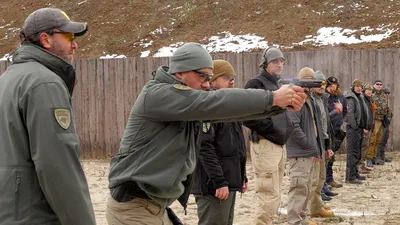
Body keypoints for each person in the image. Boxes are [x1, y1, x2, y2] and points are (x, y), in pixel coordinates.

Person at [106, 43, 307, 225]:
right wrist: (272, 98)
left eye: (209, 78)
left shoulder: (182, 103)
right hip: (133, 208)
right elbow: (214, 103)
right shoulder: (158, 94)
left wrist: (278, 106)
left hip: (152, 207)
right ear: (180, 73)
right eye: (202, 76)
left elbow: (227, 114)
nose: (206, 84)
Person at [0, 8, 95, 225]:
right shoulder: (45, 83)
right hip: (35, 215)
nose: (75, 44)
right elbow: (58, 169)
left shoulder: (8, 79)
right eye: (69, 36)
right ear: (46, 40)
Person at [191, 60, 248, 225]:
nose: (232, 82)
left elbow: (237, 146)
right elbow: (204, 147)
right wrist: (219, 181)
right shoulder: (208, 106)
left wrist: (241, 176)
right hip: (213, 186)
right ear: (213, 80)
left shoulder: (227, 106)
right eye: (227, 78)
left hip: (228, 182)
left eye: (233, 78)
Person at [242, 47, 291, 225]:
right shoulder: (255, 84)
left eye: (281, 61)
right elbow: (247, 117)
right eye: (274, 61)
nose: (279, 64)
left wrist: (286, 130)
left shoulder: (279, 84)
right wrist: (272, 129)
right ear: (265, 63)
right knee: (268, 195)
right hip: (265, 144)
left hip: (278, 144)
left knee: (275, 195)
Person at [286, 67, 320, 225]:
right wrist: (307, 144)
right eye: (306, 82)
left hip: (306, 152)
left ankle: (302, 220)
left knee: (305, 189)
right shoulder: (296, 98)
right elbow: (293, 126)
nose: (309, 86)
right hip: (300, 153)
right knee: (299, 189)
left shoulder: (308, 99)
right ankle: (295, 221)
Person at [344, 79, 369, 184]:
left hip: (359, 129)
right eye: (357, 86)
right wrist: (354, 127)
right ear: (353, 87)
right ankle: (350, 177)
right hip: (353, 129)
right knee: (352, 152)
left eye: (360, 86)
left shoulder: (360, 97)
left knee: (358, 152)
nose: (359, 88)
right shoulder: (350, 98)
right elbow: (349, 114)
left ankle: (355, 173)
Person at [325, 76, 347, 188]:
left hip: (337, 130)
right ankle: (326, 180)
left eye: (334, 85)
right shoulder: (325, 97)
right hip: (328, 129)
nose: (333, 87)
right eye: (330, 85)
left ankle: (329, 179)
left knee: (332, 155)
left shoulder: (341, 97)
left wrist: (339, 121)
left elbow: (345, 111)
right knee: (327, 155)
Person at [366, 79, 392, 166]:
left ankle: (375, 157)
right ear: (373, 85)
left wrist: (388, 116)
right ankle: (369, 158)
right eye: (377, 84)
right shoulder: (371, 94)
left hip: (382, 120)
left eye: (381, 84)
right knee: (372, 140)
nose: (379, 86)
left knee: (378, 140)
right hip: (375, 119)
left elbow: (386, 107)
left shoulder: (383, 95)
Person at [359, 83, 375, 173]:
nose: (369, 92)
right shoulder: (363, 100)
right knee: (363, 147)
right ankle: (359, 166)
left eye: (371, 90)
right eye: (368, 90)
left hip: (369, 127)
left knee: (366, 146)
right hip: (364, 128)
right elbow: (362, 115)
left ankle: (362, 164)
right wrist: (364, 126)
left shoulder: (369, 100)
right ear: (364, 91)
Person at [376, 87, 393, 163]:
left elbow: (389, 112)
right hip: (380, 123)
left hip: (386, 123)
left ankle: (382, 156)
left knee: (384, 140)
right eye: (385, 93)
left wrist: (389, 117)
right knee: (379, 140)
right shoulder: (379, 100)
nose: (387, 95)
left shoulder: (386, 102)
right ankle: (377, 157)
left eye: (388, 93)